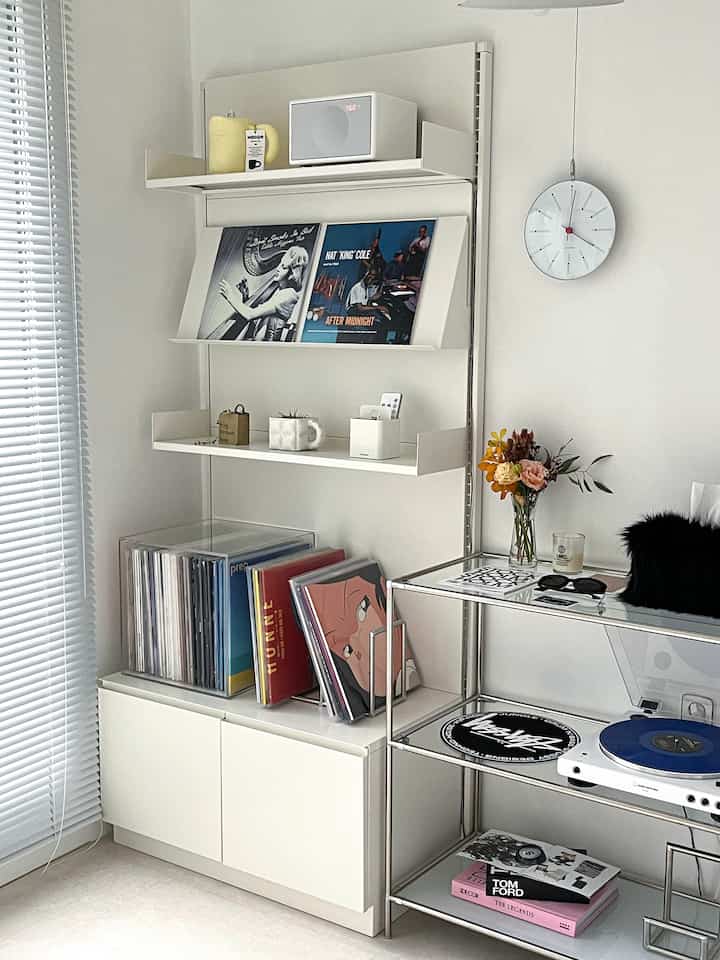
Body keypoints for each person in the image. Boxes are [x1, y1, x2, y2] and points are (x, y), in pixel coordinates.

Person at [213, 245, 309, 341]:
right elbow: (261, 317)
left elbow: (250, 315)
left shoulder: (288, 295)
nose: (277, 268)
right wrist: (246, 297)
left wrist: (230, 296)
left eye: (283, 267)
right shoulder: (280, 290)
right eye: (280, 264)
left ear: (292, 273)